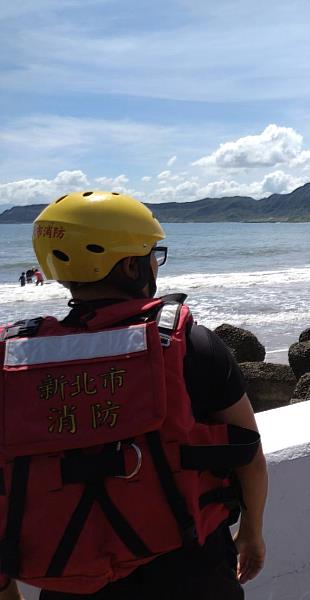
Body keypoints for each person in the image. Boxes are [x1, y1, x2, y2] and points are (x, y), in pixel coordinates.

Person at [0, 192, 267, 600]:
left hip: (69, 576)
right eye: (152, 255)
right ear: (129, 265)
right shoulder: (189, 344)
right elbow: (248, 453)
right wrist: (252, 533)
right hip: (189, 567)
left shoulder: (16, 358)